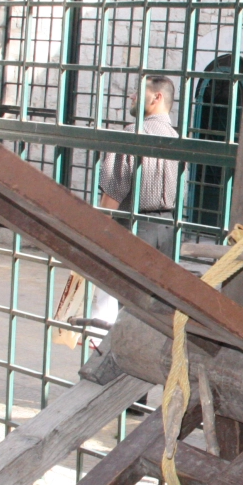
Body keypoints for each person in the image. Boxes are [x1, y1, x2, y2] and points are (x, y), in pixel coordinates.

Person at [92, 75, 181, 328]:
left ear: (157, 97)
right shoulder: (176, 137)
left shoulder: (133, 134)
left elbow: (112, 193)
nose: (131, 96)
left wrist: (96, 233)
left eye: (138, 92)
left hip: (134, 226)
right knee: (160, 305)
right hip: (168, 230)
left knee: (126, 301)